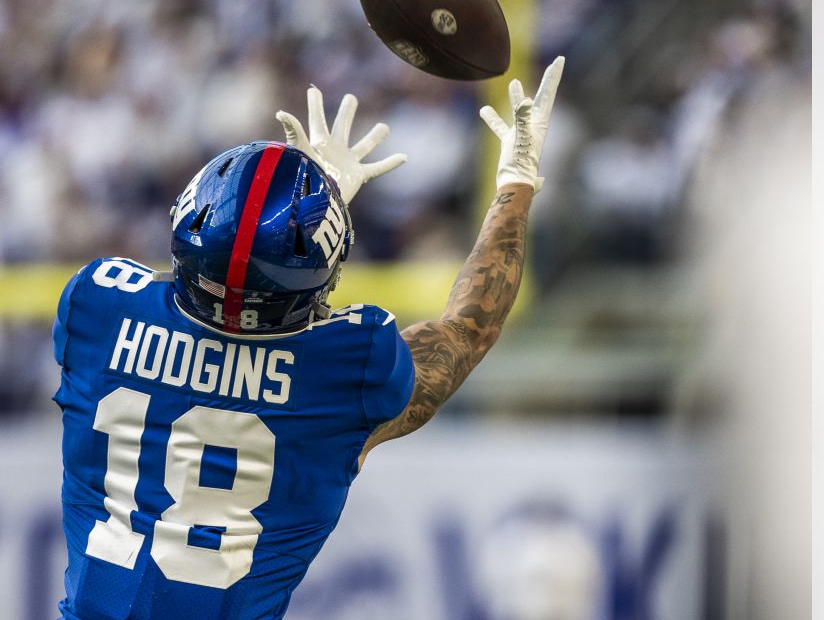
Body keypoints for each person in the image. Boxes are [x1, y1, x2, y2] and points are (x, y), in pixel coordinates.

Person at [51, 58, 566, 619]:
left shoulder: (93, 306)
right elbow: (470, 327)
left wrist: (262, 245)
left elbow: (185, 310)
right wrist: (514, 189)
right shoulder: (346, 368)